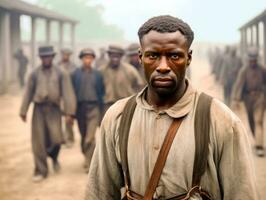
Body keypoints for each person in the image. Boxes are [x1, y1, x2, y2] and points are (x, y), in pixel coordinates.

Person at [85, 15, 257, 199]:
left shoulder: (222, 121)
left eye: (174, 55)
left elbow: (242, 194)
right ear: (140, 58)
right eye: (153, 56)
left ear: (188, 58)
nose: (163, 66)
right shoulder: (117, 117)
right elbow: (100, 191)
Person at [19, 46, 76, 182]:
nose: (46, 59)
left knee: (56, 139)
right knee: (38, 142)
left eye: (49, 56)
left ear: (53, 57)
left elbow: (68, 93)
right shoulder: (34, 73)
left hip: (54, 110)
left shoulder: (61, 73)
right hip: (38, 110)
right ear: (40, 58)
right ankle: (40, 170)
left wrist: (69, 113)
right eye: (44, 57)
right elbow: (28, 92)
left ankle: (54, 157)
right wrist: (23, 110)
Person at [72, 48, 105, 172]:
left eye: (90, 58)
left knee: (90, 137)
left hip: (94, 107)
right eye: (85, 57)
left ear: (93, 59)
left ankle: (90, 161)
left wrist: (102, 110)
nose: (88, 60)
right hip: (80, 108)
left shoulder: (97, 74)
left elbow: (102, 92)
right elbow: (72, 92)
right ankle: (86, 155)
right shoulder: (75, 74)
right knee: (83, 135)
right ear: (81, 59)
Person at [232, 47, 266, 157]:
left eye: (254, 59)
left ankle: (259, 146)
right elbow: (238, 84)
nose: (253, 62)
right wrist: (236, 98)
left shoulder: (262, 69)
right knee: (252, 122)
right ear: (248, 59)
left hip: (260, 98)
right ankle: (257, 140)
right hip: (248, 99)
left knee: (258, 121)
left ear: (257, 59)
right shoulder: (244, 70)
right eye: (251, 59)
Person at [100, 44, 144, 112]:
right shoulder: (102, 71)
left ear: (121, 57)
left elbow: (139, 86)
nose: (115, 59)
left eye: (117, 56)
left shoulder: (130, 70)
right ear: (109, 55)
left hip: (126, 105)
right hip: (108, 105)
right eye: (113, 56)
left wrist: (134, 99)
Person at [58, 48, 77, 147]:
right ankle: (60, 137)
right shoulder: (57, 66)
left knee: (68, 117)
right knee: (57, 119)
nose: (65, 56)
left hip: (70, 94)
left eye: (67, 55)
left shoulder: (73, 67)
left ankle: (70, 138)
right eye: (64, 54)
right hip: (59, 95)